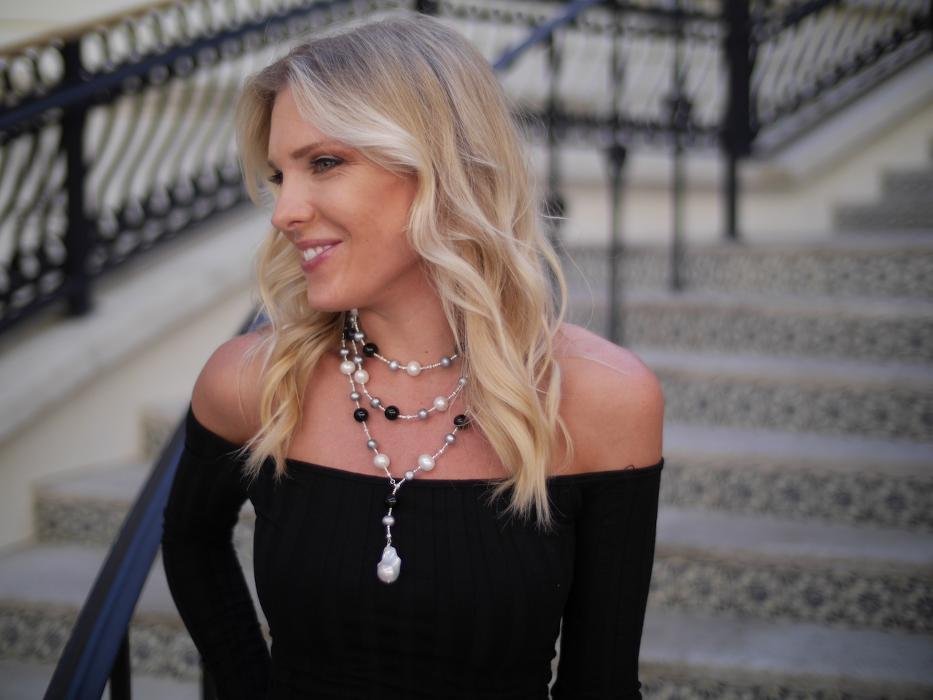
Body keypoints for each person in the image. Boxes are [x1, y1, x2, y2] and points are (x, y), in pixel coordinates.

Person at [162, 13, 664, 700]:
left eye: (324, 163)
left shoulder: (601, 397)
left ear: (441, 168)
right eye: (280, 175)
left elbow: (600, 683)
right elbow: (191, 541)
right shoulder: (252, 383)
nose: (284, 211)